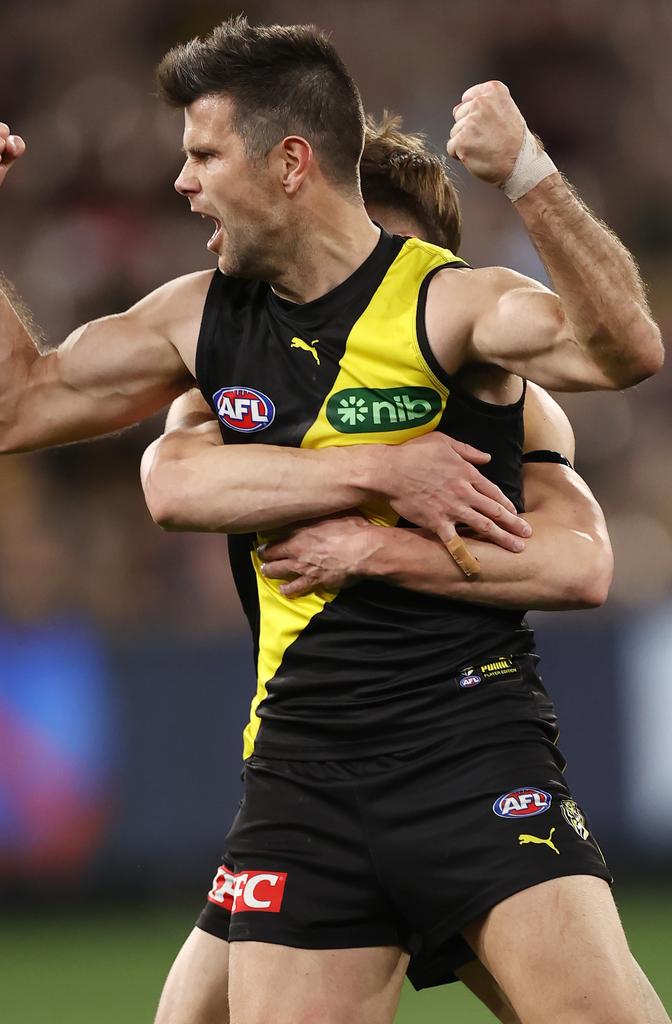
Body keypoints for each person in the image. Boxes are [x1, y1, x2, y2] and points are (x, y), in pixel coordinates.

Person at [0, 16, 665, 1024]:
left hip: (469, 749)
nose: (181, 182)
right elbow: (6, 408)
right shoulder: (204, 323)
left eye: (201, 153)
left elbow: (623, 354)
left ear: (288, 163)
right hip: (302, 775)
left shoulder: (449, 307)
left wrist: (530, 172)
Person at [150, 115, 610, 1024]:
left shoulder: (511, 403)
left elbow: (581, 564)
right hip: (308, 764)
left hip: (459, 750)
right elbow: (169, 476)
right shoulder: (254, 381)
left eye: (389, 266)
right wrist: (366, 470)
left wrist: (378, 549)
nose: (364, 302)